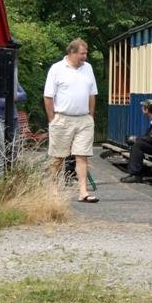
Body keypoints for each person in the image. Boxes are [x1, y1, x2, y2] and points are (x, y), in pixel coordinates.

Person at [43, 38, 99, 203]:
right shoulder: (57, 69)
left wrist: (91, 116)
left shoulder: (88, 68)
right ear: (72, 53)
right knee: (58, 157)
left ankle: (83, 192)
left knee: (82, 156)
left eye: (86, 53)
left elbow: (92, 94)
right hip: (62, 118)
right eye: (82, 53)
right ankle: (53, 190)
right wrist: (52, 119)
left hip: (84, 120)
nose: (85, 57)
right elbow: (48, 97)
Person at [0, 77, 27, 175]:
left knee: (14, 151)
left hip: (13, 119)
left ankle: (9, 178)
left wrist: (10, 97)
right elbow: (0, 102)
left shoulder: (12, 80)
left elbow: (24, 95)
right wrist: (13, 97)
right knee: (3, 152)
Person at [120, 99, 152, 183]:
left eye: (143, 107)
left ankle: (136, 175)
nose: (141, 108)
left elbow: (151, 138)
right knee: (136, 143)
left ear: (147, 110)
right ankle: (133, 173)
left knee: (138, 145)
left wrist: (136, 139)